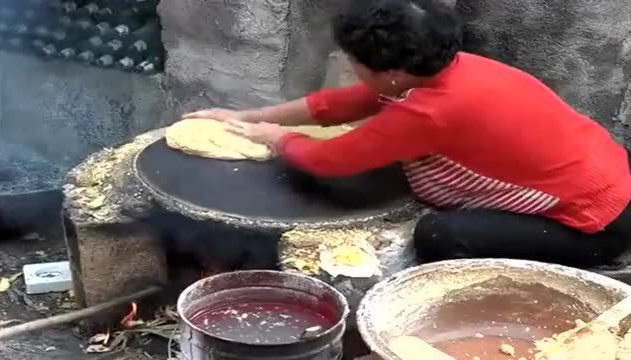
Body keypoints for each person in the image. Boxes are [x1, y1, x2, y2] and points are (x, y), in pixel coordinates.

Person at [182, 0, 631, 270]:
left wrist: (273, 138)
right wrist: (254, 115)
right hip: (611, 176)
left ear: (392, 71)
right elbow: (347, 102)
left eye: (353, 58)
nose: (348, 63)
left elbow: (327, 160)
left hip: (593, 224)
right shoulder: (448, 70)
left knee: (437, 234)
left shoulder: (432, 112)